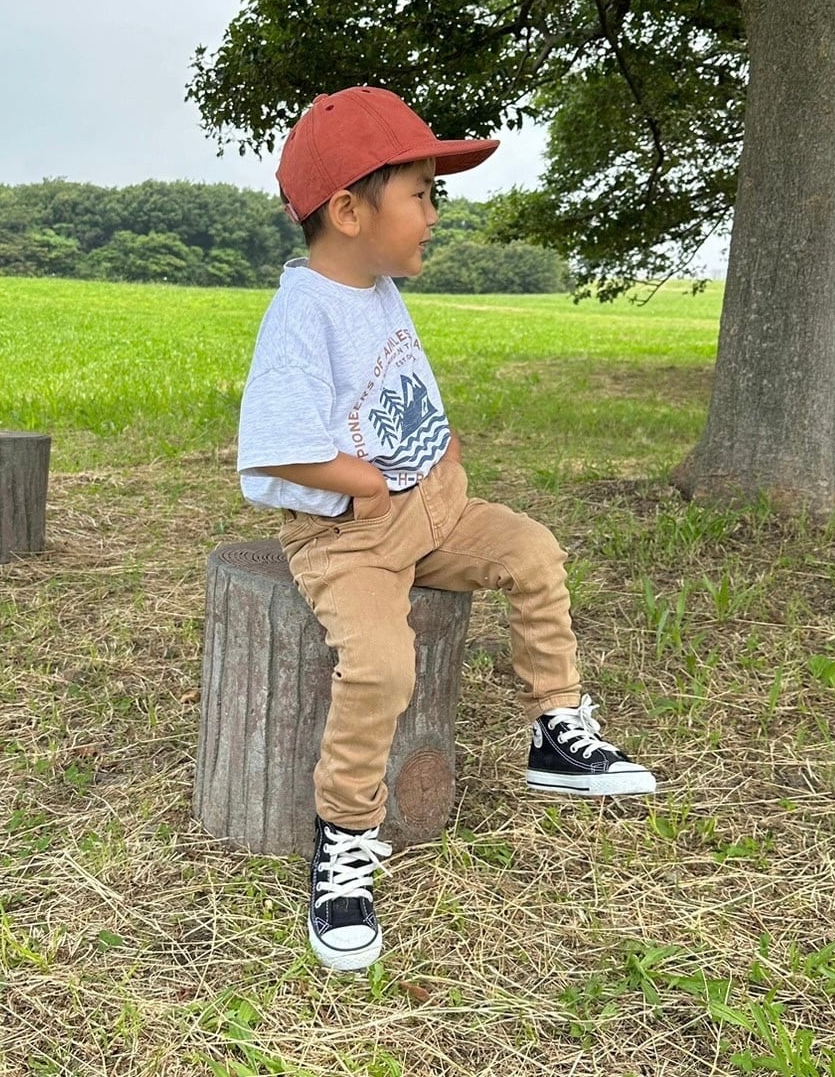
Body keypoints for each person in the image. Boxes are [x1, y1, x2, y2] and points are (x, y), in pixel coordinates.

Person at [236, 86, 656, 972]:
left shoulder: (378, 289)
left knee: (532, 551)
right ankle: (344, 839)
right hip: (350, 537)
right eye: (422, 195)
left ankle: (555, 727)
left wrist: (442, 448)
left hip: (436, 508)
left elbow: (401, 388)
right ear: (349, 211)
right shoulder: (303, 312)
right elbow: (277, 446)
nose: (434, 214)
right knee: (383, 667)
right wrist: (365, 488)